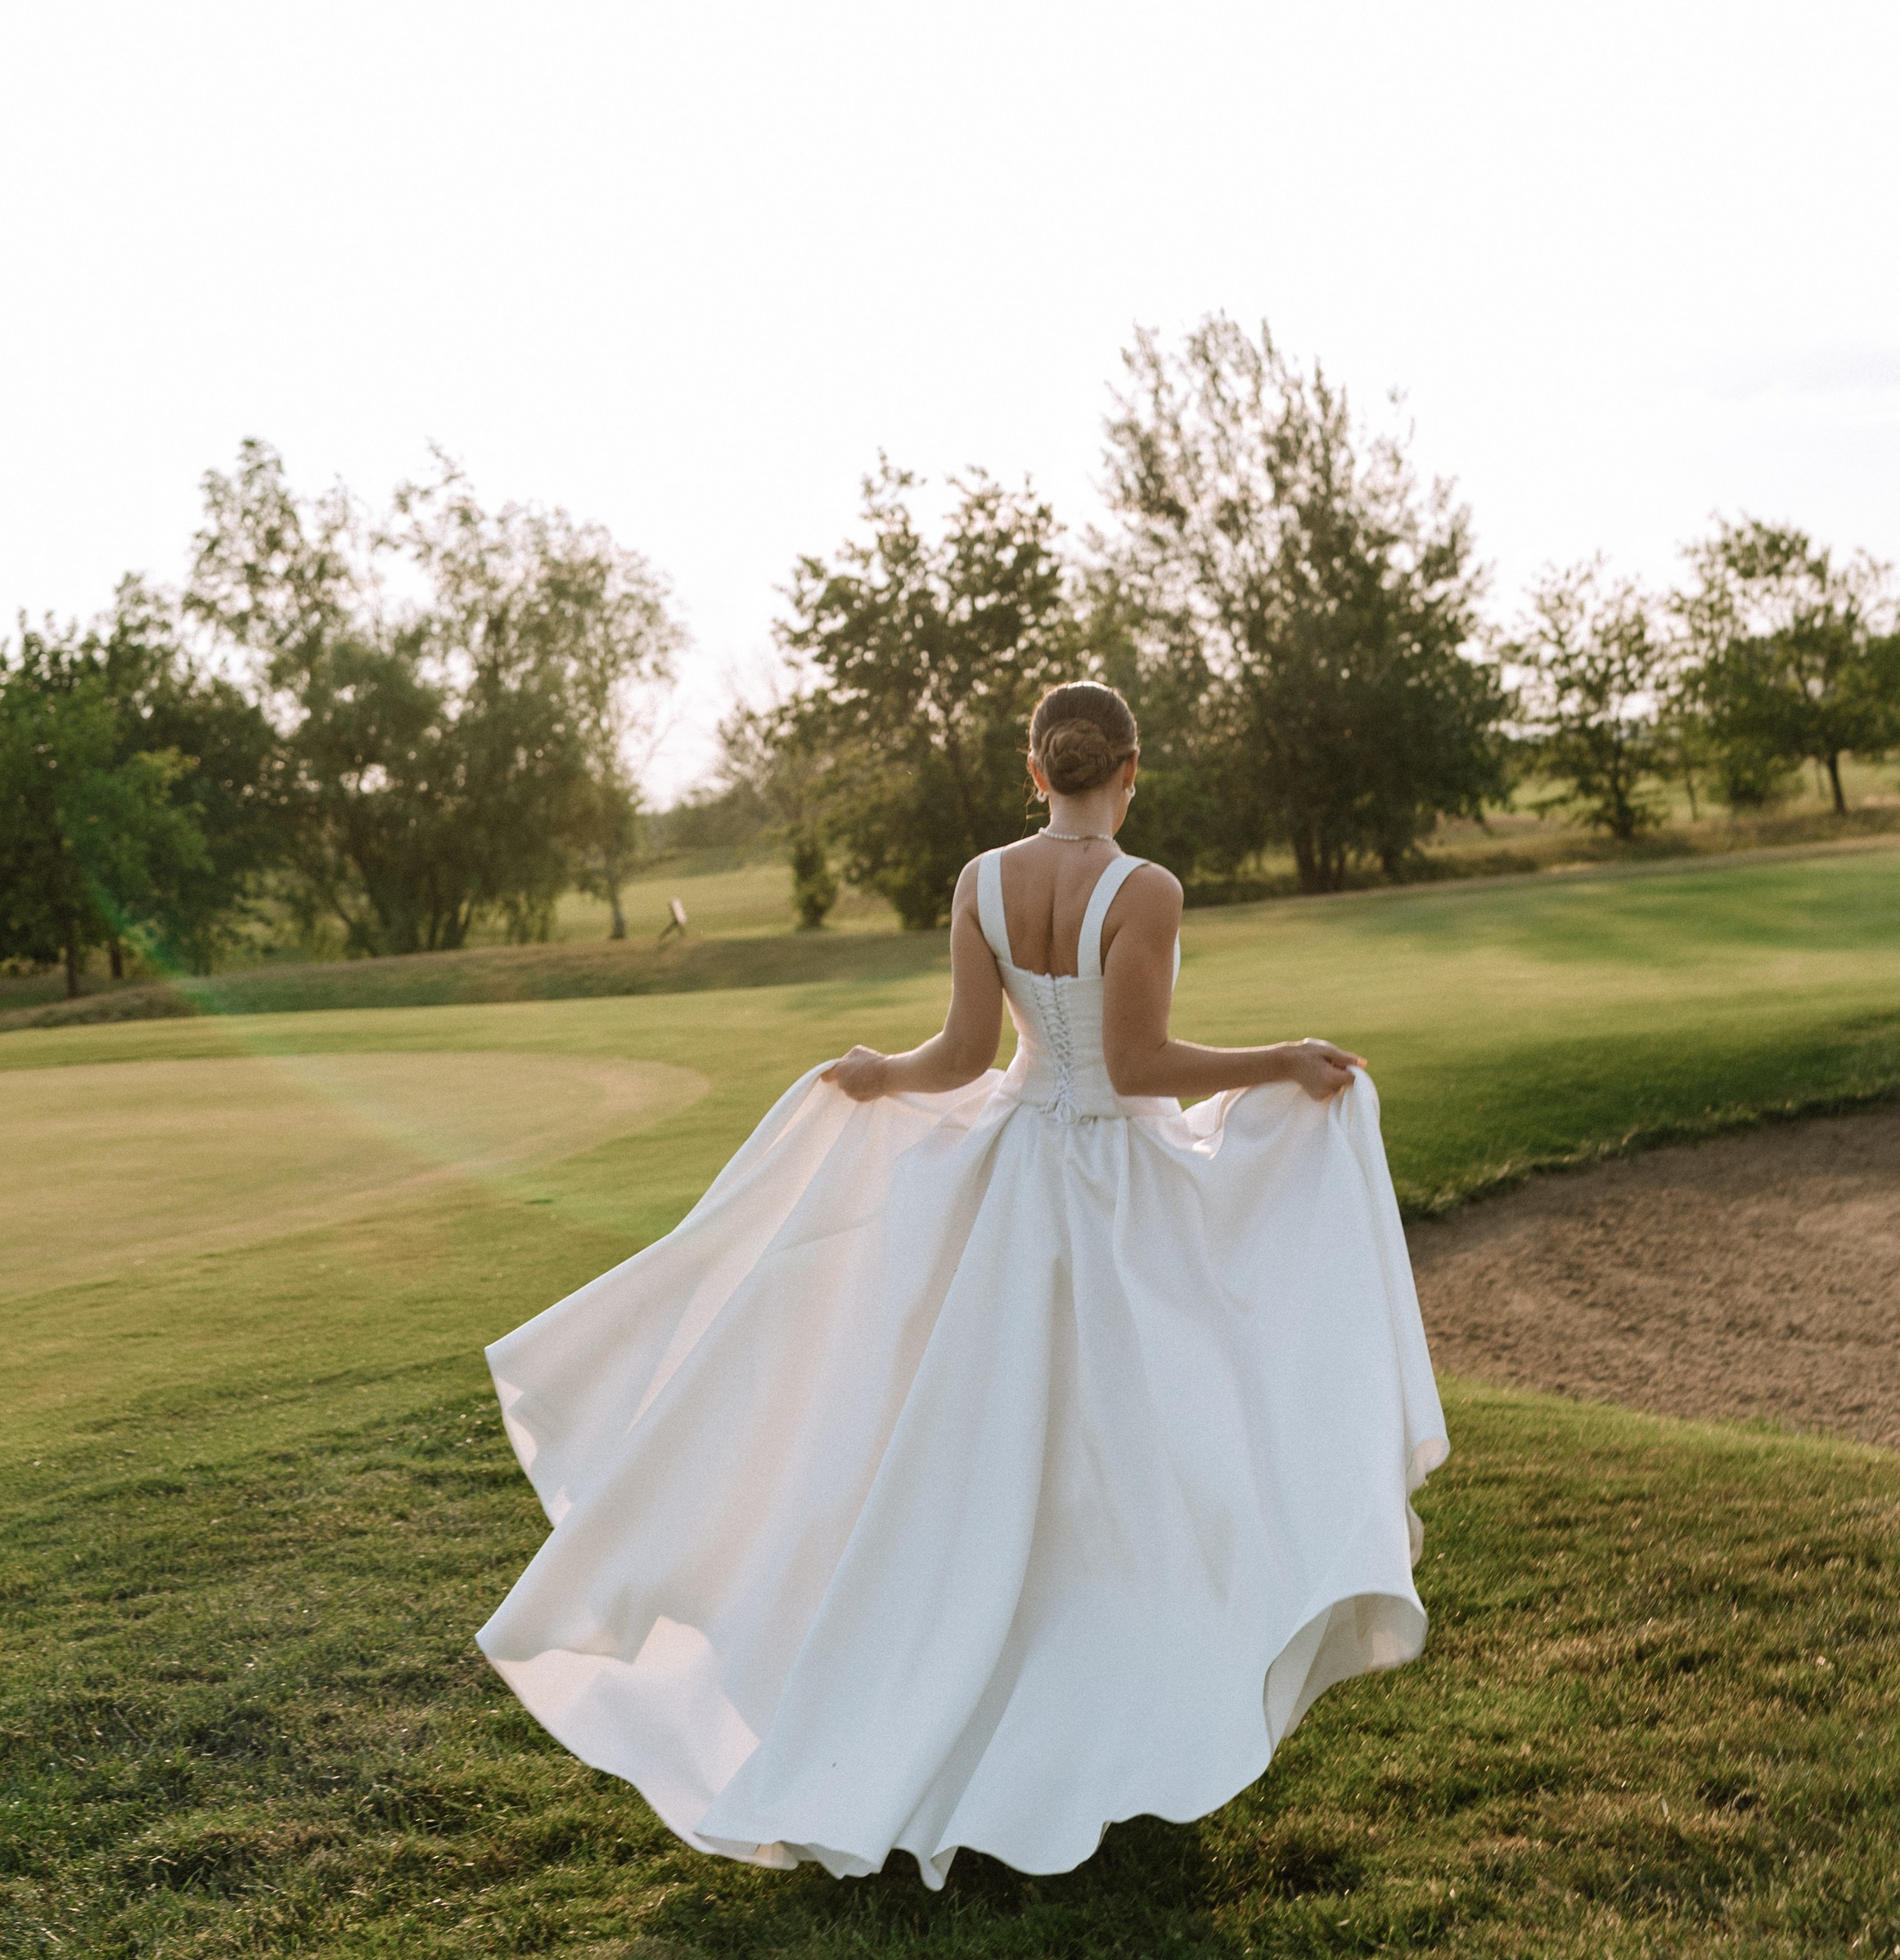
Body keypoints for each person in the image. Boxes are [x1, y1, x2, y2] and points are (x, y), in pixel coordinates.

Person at [475, 680, 1447, 1891]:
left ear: (1034, 771)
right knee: (1129, 1455)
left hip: (1008, 1178)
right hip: (1111, 1191)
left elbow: (963, 1056)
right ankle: (1099, 1709)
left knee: (989, 1453)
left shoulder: (982, 880)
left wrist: (882, 1074)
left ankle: (992, 1705)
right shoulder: (1144, 889)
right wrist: (1282, 1060)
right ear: (1129, 771)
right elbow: (1136, 1063)